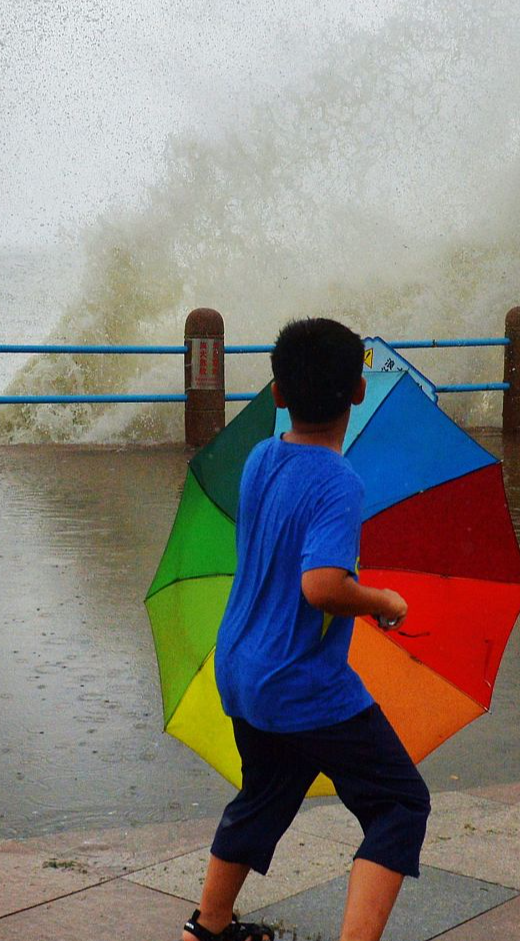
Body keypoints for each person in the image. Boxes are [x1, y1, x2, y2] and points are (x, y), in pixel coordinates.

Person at [181, 318, 430, 941]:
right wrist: (380, 599)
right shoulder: (339, 482)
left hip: (242, 663)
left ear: (279, 394)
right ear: (357, 392)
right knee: (399, 804)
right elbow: (320, 585)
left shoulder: (263, 457)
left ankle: (207, 929)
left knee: (267, 791)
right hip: (301, 683)